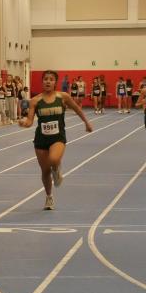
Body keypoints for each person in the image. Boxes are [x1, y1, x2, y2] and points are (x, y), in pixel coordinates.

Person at [19, 70, 93, 210]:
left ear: (55, 82)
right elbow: (29, 121)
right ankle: (49, 197)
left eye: (51, 79)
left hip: (57, 137)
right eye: (45, 79)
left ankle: (57, 168)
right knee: (45, 171)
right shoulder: (35, 100)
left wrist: (86, 123)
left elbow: (77, 109)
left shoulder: (63, 97)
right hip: (41, 139)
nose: (48, 81)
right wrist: (24, 123)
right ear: (42, 81)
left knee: (53, 159)